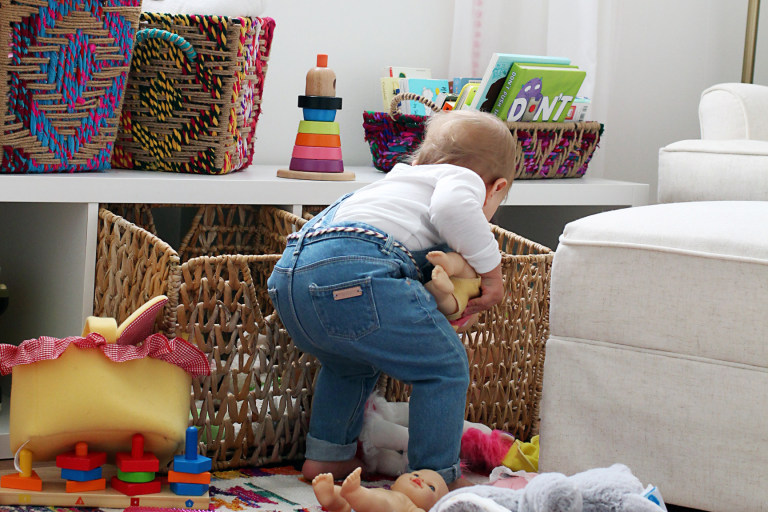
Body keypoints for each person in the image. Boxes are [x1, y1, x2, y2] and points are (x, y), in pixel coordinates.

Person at [266, 109, 515, 489]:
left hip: (291, 279)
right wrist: (492, 274)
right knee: (444, 366)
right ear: (495, 187)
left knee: (348, 365)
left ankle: (328, 457)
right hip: (356, 268)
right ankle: (432, 475)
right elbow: (453, 211)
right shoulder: (462, 179)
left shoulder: (398, 178)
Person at [312, 467, 448, 512]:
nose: (419, 480)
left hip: (374, 505)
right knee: (343, 502)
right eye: (416, 474)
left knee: (384, 504)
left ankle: (354, 493)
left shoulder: (412, 508)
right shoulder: (390, 492)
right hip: (356, 504)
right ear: (393, 484)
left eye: (431, 487)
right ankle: (331, 495)